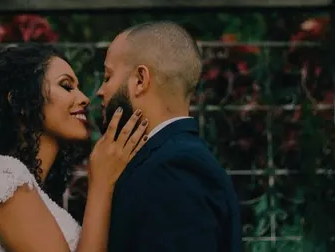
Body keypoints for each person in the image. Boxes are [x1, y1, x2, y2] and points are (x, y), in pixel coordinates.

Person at [0, 44, 149, 252]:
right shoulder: (1, 173)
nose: (84, 98)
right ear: (19, 100)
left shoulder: (29, 189)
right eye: (66, 86)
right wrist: (101, 185)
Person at [96, 21, 242, 252]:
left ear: (140, 80)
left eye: (107, 77)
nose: (100, 91)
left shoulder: (173, 168)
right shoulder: (169, 159)